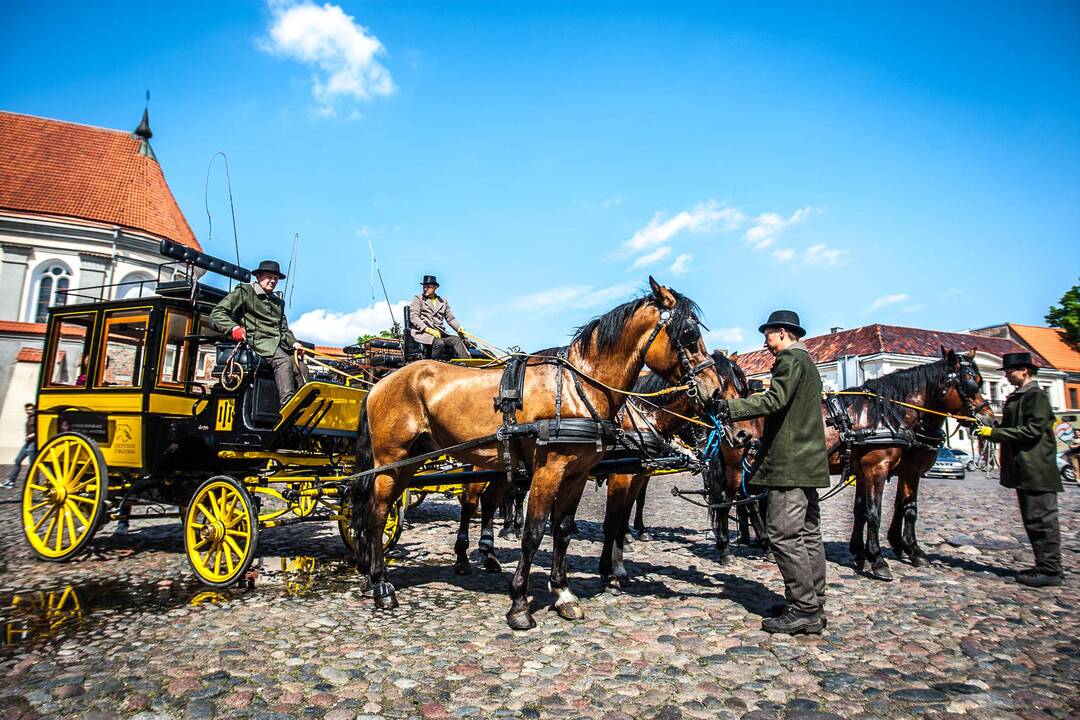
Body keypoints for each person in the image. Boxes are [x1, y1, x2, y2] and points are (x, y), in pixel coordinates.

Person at [717, 310, 829, 635]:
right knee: (808, 533)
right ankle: (813, 601)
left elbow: (776, 400)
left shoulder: (791, 360)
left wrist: (732, 407)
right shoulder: (807, 362)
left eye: (767, 335)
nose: (764, 343)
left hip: (790, 464)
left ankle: (804, 608)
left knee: (781, 532)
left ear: (781, 332)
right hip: (807, 462)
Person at [975, 352, 1063, 587]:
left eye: (1009, 371)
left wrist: (994, 434)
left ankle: (1051, 570)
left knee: (1042, 520)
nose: (1006, 375)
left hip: (1037, 467)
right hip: (1024, 468)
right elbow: (1008, 427)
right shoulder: (1018, 396)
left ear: (1025, 370)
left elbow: (1032, 431)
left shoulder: (1036, 396)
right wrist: (983, 424)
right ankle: (1043, 564)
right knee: (1032, 519)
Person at [210, 260, 307, 406]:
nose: (273, 281)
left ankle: (305, 406)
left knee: (301, 366)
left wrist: (294, 343)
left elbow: (283, 329)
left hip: (277, 344)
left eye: (275, 279)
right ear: (258, 276)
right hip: (258, 341)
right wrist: (234, 328)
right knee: (284, 362)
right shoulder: (244, 292)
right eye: (269, 277)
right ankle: (287, 405)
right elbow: (217, 313)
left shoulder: (278, 302)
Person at [408, 275, 470, 361]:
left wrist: (459, 328)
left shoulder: (443, 301)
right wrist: (427, 329)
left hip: (440, 334)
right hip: (424, 333)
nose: (425, 289)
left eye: (428, 287)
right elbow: (414, 317)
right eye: (424, 287)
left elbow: (450, 318)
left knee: (456, 340)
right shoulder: (418, 299)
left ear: (435, 287)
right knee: (439, 343)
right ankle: (434, 365)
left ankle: (467, 365)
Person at [2, 403, 36, 489]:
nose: (29, 411)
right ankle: (11, 481)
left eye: (31, 409)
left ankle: (35, 483)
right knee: (18, 460)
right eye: (27, 409)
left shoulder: (36, 418)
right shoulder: (29, 418)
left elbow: (39, 430)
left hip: (33, 443)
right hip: (27, 443)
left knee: (33, 465)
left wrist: (31, 436)